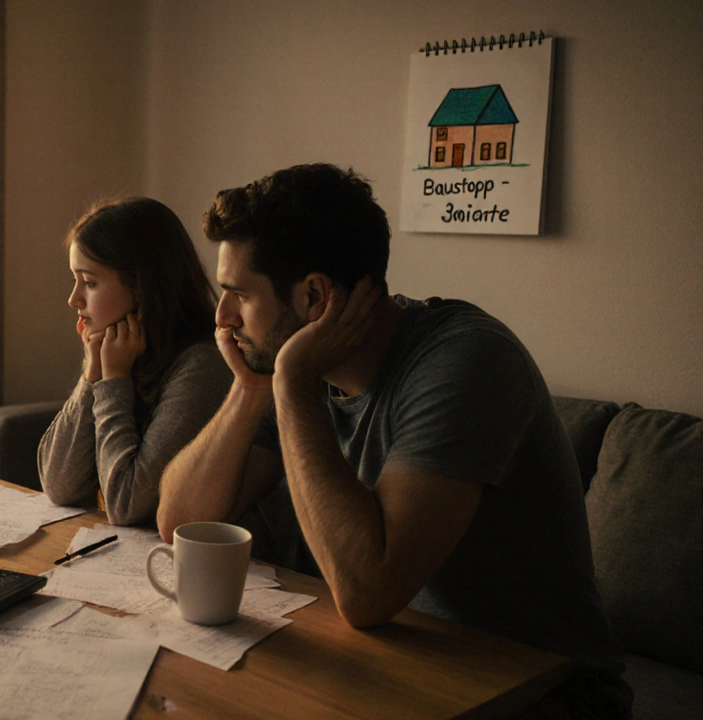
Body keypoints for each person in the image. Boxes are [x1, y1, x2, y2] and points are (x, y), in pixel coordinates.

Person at [156, 164, 632, 718]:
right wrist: (251, 388)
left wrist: (290, 380)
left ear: (315, 296)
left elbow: (366, 593)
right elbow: (180, 523)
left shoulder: (468, 361)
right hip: (394, 667)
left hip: (547, 696)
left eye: (238, 294)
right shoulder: (302, 368)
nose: (222, 318)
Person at [38, 197, 231, 526]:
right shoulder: (120, 353)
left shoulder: (202, 366)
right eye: (75, 280)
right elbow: (59, 485)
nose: (74, 299)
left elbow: (127, 505)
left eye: (90, 282)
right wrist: (91, 375)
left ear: (142, 289)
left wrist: (113, 381)